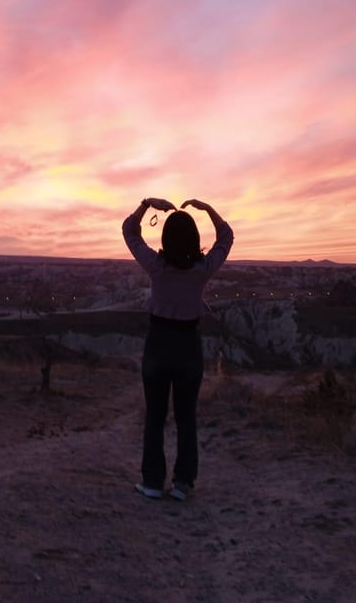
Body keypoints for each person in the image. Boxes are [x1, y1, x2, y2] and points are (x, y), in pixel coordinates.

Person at [122, 197, 234, 501]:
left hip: (158, 343)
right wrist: (208, 209)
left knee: (155, 416)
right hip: (188, 346)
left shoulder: (157, 268)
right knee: (186, 417)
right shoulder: (201, 270)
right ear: (194, 239)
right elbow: (226, 238)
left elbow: (130, 232)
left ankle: (152, 482)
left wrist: (146, 205)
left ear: (166, 239)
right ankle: (183, 483)